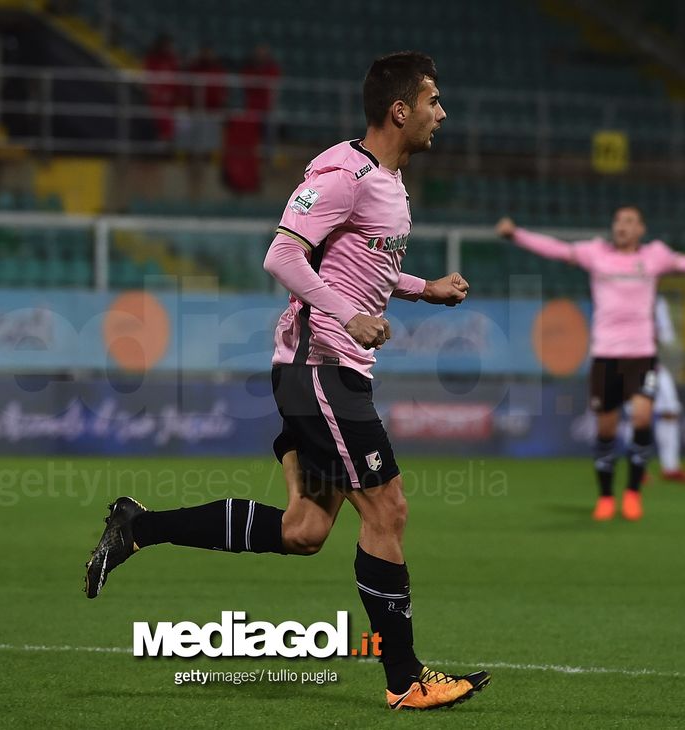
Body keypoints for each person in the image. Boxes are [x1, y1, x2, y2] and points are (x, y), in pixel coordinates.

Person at [85, 52, 491, 711]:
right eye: (433, 101)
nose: (441, 114)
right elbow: (281, 253)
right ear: (399, 110)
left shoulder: (390, 183)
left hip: (333, 369)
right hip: (318, 368)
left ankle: (140, 527)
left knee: (304, 531)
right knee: (388, 511)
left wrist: (424, 289)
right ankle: (405, 679)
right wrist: (348, 316)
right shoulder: (344, 172)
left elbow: (366, 269)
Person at [496, 209, 685, 521]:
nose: (621, 227)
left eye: (629, 222)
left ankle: (633, 493)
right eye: (617, 221)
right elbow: (557, 249)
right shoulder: (596, 253)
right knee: (606, 429)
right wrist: (516, 234)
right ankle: (606, 496)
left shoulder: (655, 256)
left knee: (642, 418)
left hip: (642, 355)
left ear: (641, 229)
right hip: (606, 355)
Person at [652, 296, 685, 483]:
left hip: (653, 365)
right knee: (636, 415)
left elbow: (666, 337)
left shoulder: (658, 302)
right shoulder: (622, 296)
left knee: (670, 411)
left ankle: (670, 467)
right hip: (629, 365)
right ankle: (636, 467)